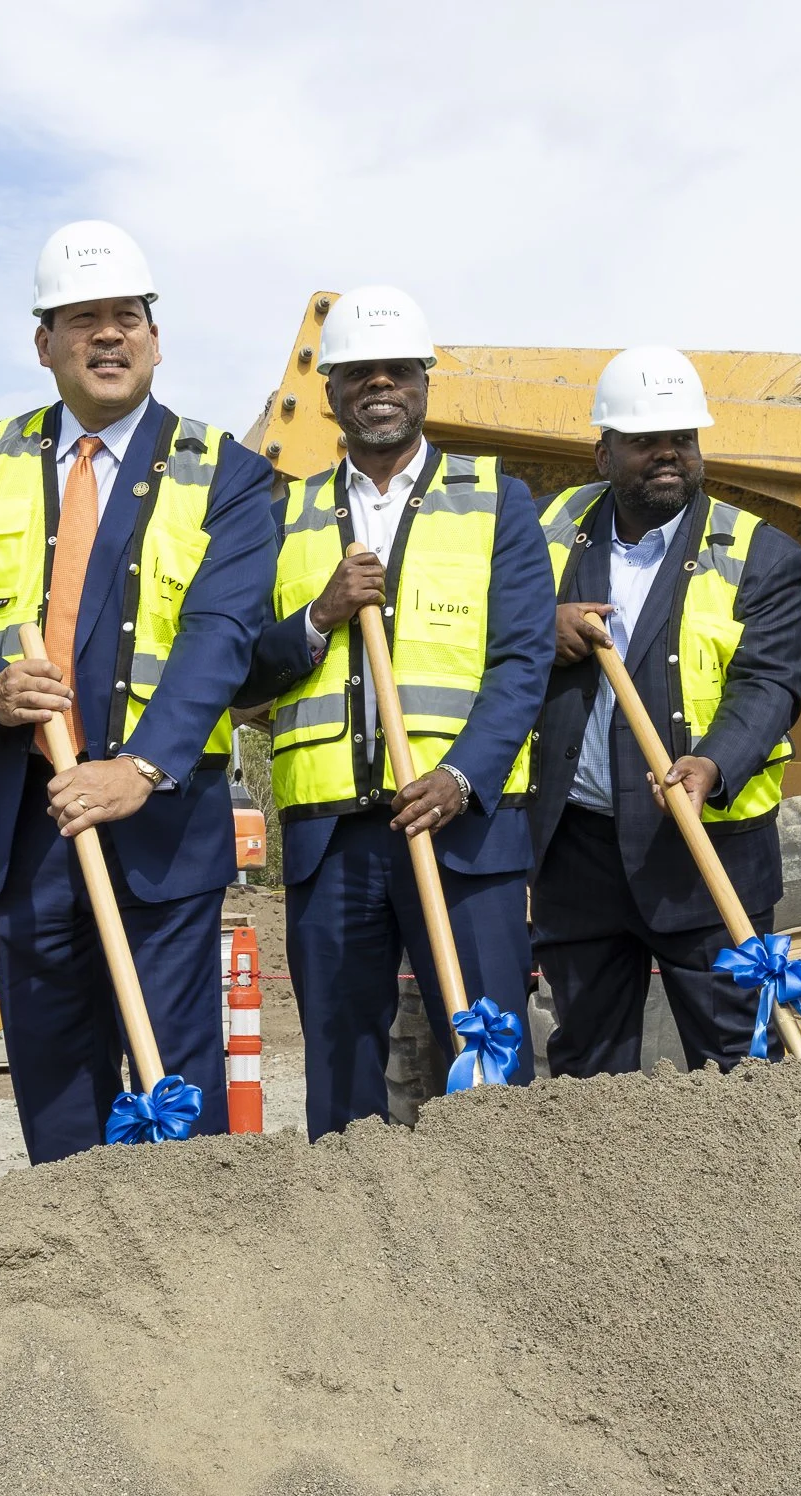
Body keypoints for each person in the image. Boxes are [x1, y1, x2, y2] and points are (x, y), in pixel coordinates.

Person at [0, 220, 277, 1163]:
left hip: (158, 832)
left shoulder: (226, 470)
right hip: (28, 822)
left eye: (127, 317)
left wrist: (140, 767)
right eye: (83, 320)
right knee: (56, 1091)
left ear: (155, 336)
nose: (108, 336)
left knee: (172, 1092)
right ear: (45, 344)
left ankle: (190, 1281)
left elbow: (220, 632)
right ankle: (75, 1290)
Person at [236, 285, 554, 1136]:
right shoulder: (286, 514)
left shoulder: (497, 501)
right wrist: (318, 617)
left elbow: (522, 661)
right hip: (332, 843)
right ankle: (355, 1253)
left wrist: (461, 776)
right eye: (359, 372)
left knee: (488, 1059)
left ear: (424, 383)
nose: (380, 384)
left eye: (398, 370)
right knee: (340, 1077)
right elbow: (243, 672)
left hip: (461, 834)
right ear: (333, 390)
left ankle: (502, 1244)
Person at [529, 348, 801, 1074]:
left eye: (681, 439)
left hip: (703, 848)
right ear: (603, 451)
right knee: (587, 1071)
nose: (668, 456)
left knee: (739, 1067)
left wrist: (712, 764)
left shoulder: (760, 553)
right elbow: (495, 623)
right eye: (646, 440)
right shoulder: (551, 526)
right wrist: (542, 628)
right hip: (580, 852)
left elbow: (769, 684)